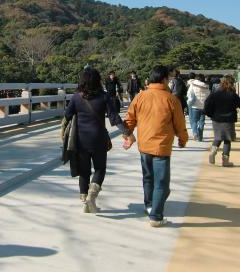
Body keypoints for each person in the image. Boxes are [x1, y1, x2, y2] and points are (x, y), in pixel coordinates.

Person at [125, 65, 188, 227]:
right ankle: (156, 216)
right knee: (162, 183)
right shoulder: (171, 99)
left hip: (144, 145)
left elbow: (130, 119)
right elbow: (179, 124)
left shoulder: (140, 97)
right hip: (162, 146)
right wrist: (183, 139)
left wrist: (128, 135)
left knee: (148, 178)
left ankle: (149, 205)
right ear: (164, 79)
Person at [64, 66, 130, 213]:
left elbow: (67, 116)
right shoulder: (104, 96)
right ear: (97, 81)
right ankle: (92, 196)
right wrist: (126, 132)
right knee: (100, 169)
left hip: (81, 140)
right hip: (99, 139)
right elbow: (114, 117)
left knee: (84, 171)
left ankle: (84, 202)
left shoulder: (76, 97)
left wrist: (63, 136)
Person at [204, 75, 240, 167]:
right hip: (228, 119)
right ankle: (225, 161)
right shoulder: (233, 95)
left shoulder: (215, 94)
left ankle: (213, 151)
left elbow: (207, 104)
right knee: (227, 139)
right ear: (232, 83)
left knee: (218, 137)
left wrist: (210, 114)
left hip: (216, 119)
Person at [186, 74, 210, 141]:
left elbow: (189, 94)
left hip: (195, 106)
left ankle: (195, 132)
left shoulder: (193, 85)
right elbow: (208, 96)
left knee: (194, 121)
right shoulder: (206, 86)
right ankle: (200, 137)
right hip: (203, 107)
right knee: (201, 122)